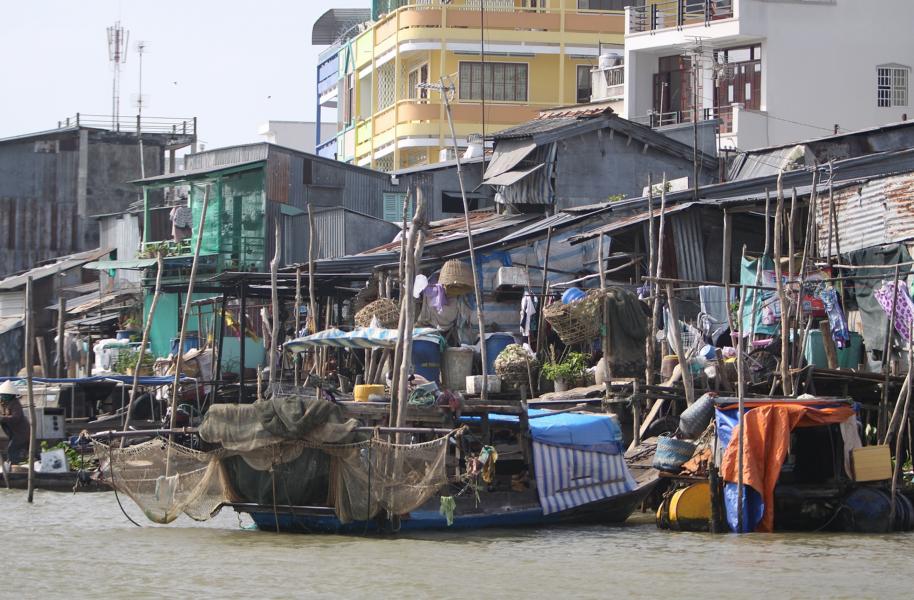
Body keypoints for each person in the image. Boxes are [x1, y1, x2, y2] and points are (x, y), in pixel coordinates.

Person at [0, 381, 30, 464]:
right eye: (2, 394)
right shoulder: (3, 403)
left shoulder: (15, 404)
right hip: (13, 432)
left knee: (12, 448)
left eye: (5, 395)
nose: (2, 396)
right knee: (16, 449)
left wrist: (2, 418)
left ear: (10, 395)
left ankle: (14, 465)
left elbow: (15, 418)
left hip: (21, 432)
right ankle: (14, 464)